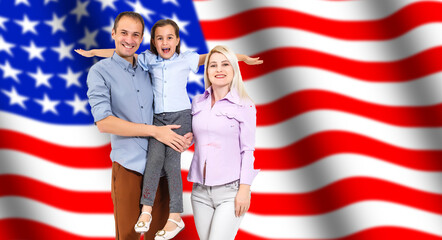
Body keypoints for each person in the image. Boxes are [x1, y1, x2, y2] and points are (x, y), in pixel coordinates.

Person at [77, 19, 262, 240]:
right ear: (153, 42)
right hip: (145, 141)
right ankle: (147, 211)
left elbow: (210, 58)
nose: (165, 42)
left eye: (169, 38)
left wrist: (239, 58)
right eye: (159, 38)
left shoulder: (182, 61)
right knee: (150, 174)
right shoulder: (142, 62)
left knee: (170, 171)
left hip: (176, 128)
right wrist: (95, 52)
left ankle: (175, 215)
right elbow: (124, 52)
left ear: (177, 40)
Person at [81, 12, 192, 240]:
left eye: (135, 35)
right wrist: (155, 131)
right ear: (113, 34)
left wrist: (184, 135)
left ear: (142, 39)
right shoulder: (99, 72)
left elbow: (169, 104)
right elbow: (104, 123)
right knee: (129, 236)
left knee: (159, 236)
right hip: (128, 167)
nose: (129, 40)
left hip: (159, 169)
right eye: (124, 33)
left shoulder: (149, 66)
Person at [188, 45, 259, 240]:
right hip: (199, 192)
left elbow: (248, 150)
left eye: (225, 64)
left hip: (231, 191)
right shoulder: (197, 103)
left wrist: (245, 189)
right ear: (207, 71)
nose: (219, 70)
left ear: (234, 69)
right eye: (213, 65)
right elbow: (194, 137)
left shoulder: (245, 105)